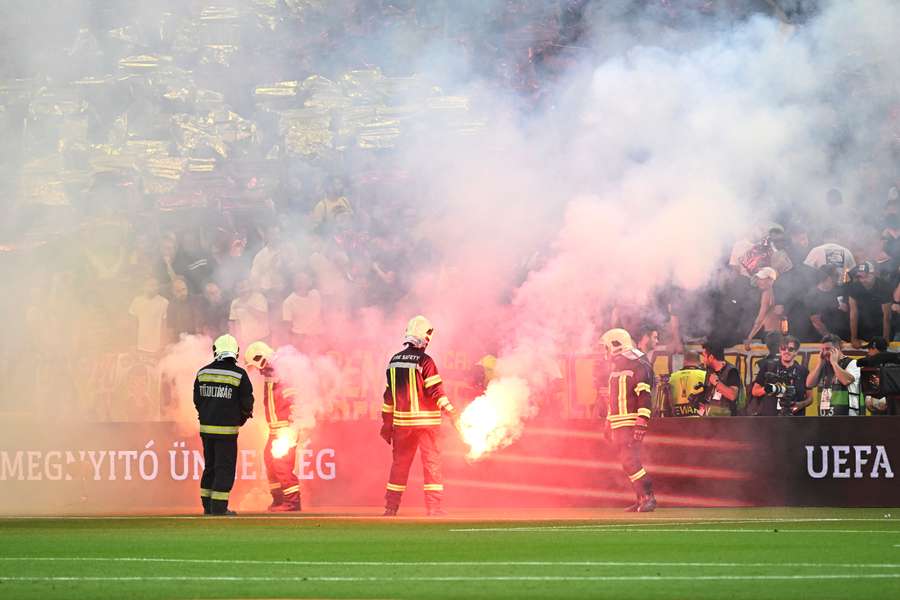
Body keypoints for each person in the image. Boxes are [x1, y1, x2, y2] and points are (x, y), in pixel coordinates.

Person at [381, 315, 458, 517]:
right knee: (431, 464)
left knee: (399, 466)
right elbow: (436, 391)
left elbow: (388, 397)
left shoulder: (394, 361)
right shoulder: (426, 361)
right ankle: (434, 508)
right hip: (426, 425)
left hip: (402, 426)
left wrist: (386, 424)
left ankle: (391, 507)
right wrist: (452, 412)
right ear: (424, 337)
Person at [193, 334, 254, 516]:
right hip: (227, 433)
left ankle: (208, 506)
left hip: (206, 430)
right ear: (235, 352)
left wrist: (205, 416)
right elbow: (247, 403)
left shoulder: (202, 373)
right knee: (224, 468)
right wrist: (240, 419)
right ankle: (219, 508)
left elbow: (197, 400)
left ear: (215, 351)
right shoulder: (239, 374)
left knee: (210, 466)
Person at [599, 328, 656, 512]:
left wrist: (642, 419)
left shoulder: (638, 365)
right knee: (627, 462)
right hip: (618, 423)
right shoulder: (617, 367)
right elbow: (613, 399)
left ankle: (648, 497)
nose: (604, 351)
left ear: (615, 345)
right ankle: (641, 498)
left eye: (606, 347)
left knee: (630, 461)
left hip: (630, 422)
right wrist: (608, 421)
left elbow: (644, 395)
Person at [244, 341, 301, 512]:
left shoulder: (282, 369)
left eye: (257, 366)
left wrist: (292, 425)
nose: (259, 371)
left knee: (282, 464)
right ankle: (278, 499)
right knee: (270, 460)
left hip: (285, 427)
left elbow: (293, 397)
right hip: (275, 428)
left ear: (260, 358)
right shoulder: (272, 371)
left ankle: (292, 502)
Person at [750, 335, 811, 416]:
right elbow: (754, 391)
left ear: (796, 351)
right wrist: (770, 389)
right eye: (783, 348)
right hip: (771, 419)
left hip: (796, 420)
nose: (786, 351)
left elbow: (810, 398)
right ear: (779, 350)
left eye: (790, 349)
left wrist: (801, 405)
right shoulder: (768, 367)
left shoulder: (803, 371)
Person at [805, 334, 858, 416]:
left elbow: (846, 380)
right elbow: (809, 384)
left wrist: (834, 363)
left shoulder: (852, 363)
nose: (824, 352)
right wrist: (820, 363)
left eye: (827, 349)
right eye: (822, 349)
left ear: (837, 349)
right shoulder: (823, 365)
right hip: (825, 416)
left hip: (848, 417)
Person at [698, 340, 742, 416]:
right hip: (710, 420)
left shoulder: (731, 371)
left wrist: (716, 383)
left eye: (704, 356)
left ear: (711, 357)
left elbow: (732, 395)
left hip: (726, 422)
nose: (703, 360)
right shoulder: (709, 371)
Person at [665, 351, 707, 417]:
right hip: (699, 422)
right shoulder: (705, 375)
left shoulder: (672, 377)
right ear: (699, 361)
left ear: (684, 361)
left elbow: (667, 403)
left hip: (678, 422)